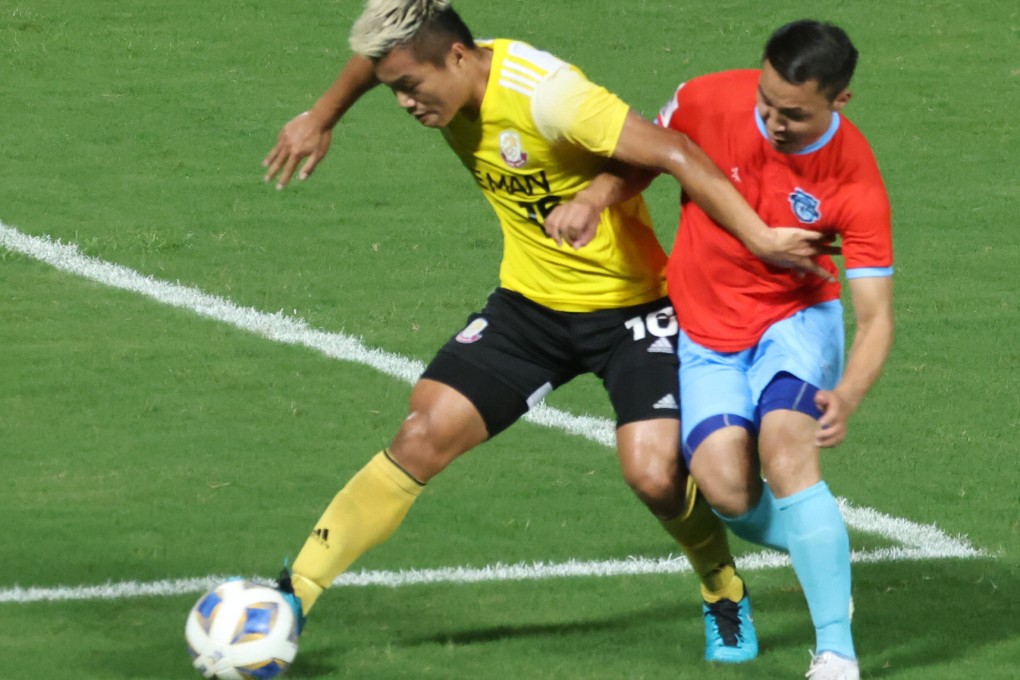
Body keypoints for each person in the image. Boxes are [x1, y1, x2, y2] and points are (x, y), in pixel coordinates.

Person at [261, 0, 830, 665]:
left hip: (634, 309)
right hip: (530, 307)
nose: (405, 105)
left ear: (456, 57)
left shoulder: (550, 97)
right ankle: (291, 595)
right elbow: (379, 59)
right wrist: (321, 116)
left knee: (653, 475)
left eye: (411, 88)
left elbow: (672, 148)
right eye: (394, 90)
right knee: (421, 435)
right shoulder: (431, 62)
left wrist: (746, 234)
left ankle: (720, 586)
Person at [549, 20, 894, 680]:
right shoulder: (707, 98)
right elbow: (648, 156)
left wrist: (847, 393)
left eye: (792, 112)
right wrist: (595, 197)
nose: (771, 119)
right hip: (705, 334)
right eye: (766, 100)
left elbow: (876, 317)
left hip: (794, 322)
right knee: (729, 492)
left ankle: (835, 650)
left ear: (838, 102)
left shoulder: (854, 181)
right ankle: (825, 559)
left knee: (787, 449)